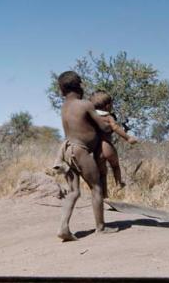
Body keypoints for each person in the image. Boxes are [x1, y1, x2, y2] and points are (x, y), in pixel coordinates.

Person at [54, 71, 118, 241]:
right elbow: (103, 128)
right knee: (96, 187)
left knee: (73, 191)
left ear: (61, 90)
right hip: (80, 150)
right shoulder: (85, 105)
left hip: (66, 151)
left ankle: (63, 227)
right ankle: (100, 228)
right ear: (79, 85)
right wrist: (112, 124)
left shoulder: (65, 106)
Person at [89, 90, 138, 198]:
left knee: (102, 174)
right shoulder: (108, 117)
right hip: (107, 146)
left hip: (97, 151)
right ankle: (118, 183)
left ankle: (104, 195)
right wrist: (128, 138)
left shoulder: (92, 117)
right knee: (115, 166)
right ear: (107, 106)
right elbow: (115, 127)